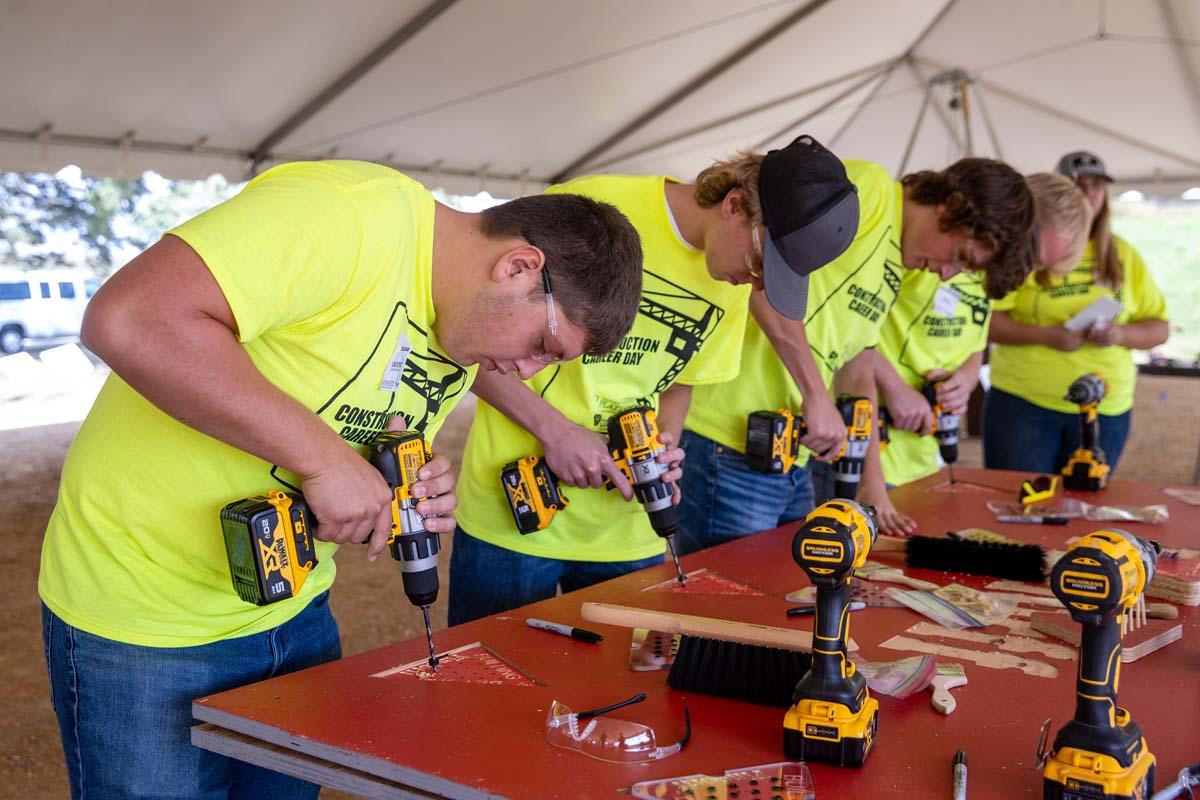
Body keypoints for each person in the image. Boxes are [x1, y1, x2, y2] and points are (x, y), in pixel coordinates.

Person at [37, 159, 645, 800]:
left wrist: (404, 475)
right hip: (144, 623)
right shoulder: (348, 215)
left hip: (295, 610)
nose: (525, 372)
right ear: (519, 267)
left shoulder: (458, 322)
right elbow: (131, 317)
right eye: (543, 346)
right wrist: (326, 461)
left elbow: (359, 411)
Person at [449, 136, 859, 624]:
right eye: (758, 263)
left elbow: (683, 380)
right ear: (733, 205)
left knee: (622, 692)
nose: (754, 283)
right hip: (514, 513)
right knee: (492, 685)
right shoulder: (594, 208)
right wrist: (557, 433)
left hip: (628, 532)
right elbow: (462, 338)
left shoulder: (728, 279)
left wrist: (664, 447)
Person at [677, 157, 1035, 553]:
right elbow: (763, 273)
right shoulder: (866, 190)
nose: (950, 273)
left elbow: (858, 361)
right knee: (732, 605)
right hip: (730, 442)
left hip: (792, 454)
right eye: (962, 255)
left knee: (787, 593)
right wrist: (816, 395)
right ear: (949, 206)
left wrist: (872, 484)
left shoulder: (895, 262)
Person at [853, 172, 1093, 534]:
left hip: (918, 452)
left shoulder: (984, 277)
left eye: (1039, 267)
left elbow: (976, 339)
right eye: (1031, 254)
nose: (1026, 269)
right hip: (868, 441)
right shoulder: (932, 253)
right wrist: (894, 387)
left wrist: (965, 379)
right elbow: (855, 331)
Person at [983, 151, 1169, 474]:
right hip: (1025, 402)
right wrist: (1046, 336)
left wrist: (1120, 334)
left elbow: (1159, 327)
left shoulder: (1123, 253)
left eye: (1096, 185)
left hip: (1104, 407)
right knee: (1017, 509)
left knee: (1086, 506)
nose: (1087, 194)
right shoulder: (1023, 247)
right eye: (1076, 184)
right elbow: (984, 322)